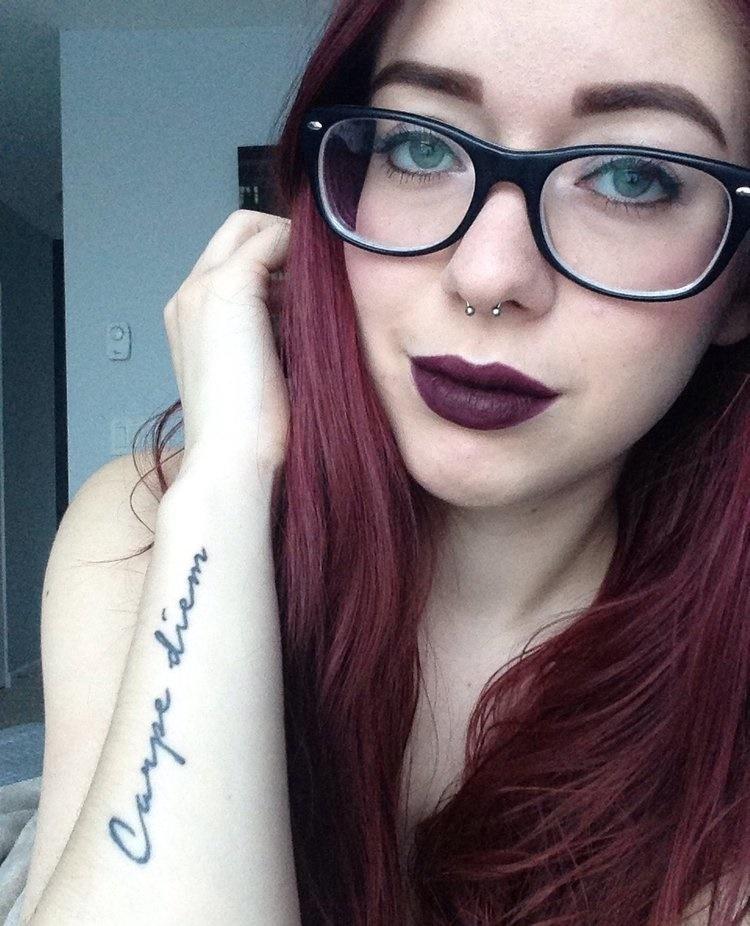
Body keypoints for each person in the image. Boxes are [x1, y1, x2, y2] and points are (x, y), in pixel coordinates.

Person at [20, 0, 750, 922]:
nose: (487, 276)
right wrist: (227, 482)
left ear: (740, 283)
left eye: (634, 176)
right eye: (421, 146)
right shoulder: (146, 523)